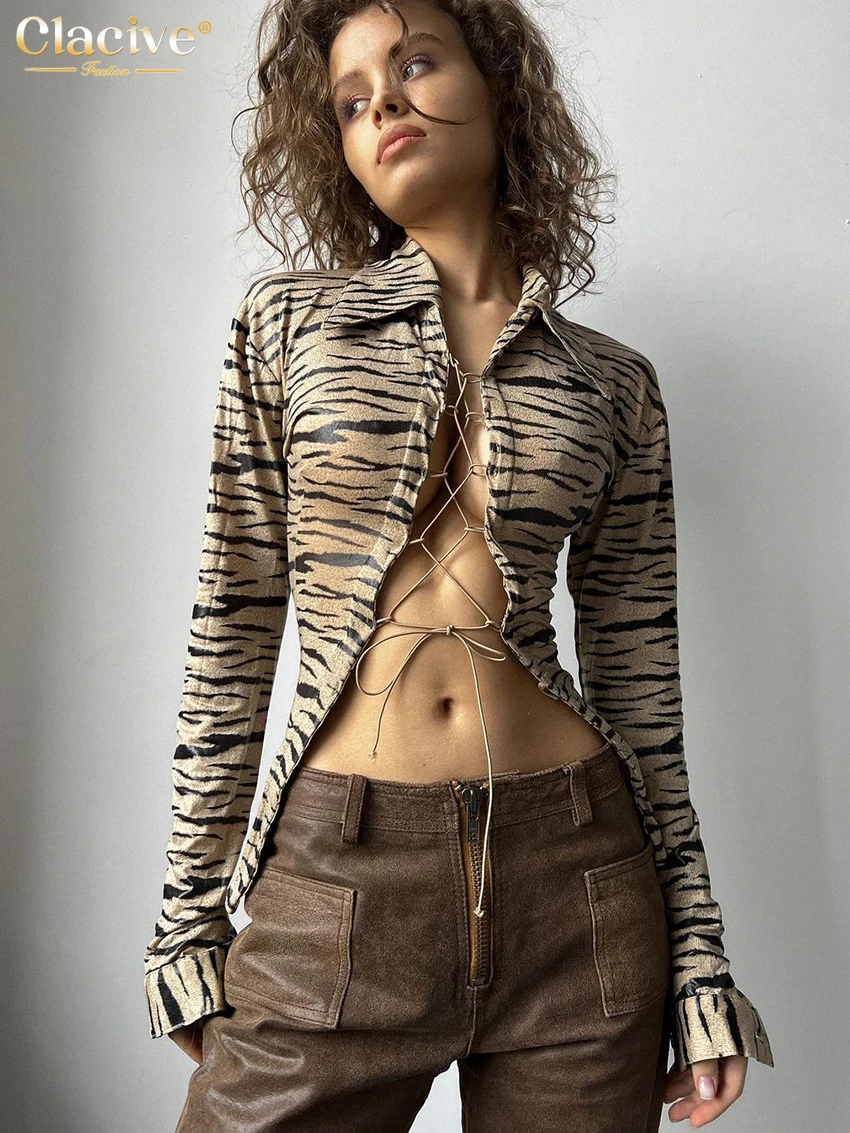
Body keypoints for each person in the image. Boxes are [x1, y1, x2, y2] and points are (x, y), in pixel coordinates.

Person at [143, 1, 774, 1129]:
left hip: (581, 880)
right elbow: (234, 621)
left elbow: (642, 685)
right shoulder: (289, 326)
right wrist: (186, 918)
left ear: (500, 90)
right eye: (349, 101)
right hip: (342, 876)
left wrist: (699, 962)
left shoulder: (612, 383)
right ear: (338, 152)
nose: (383, 100)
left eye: (416, 62)